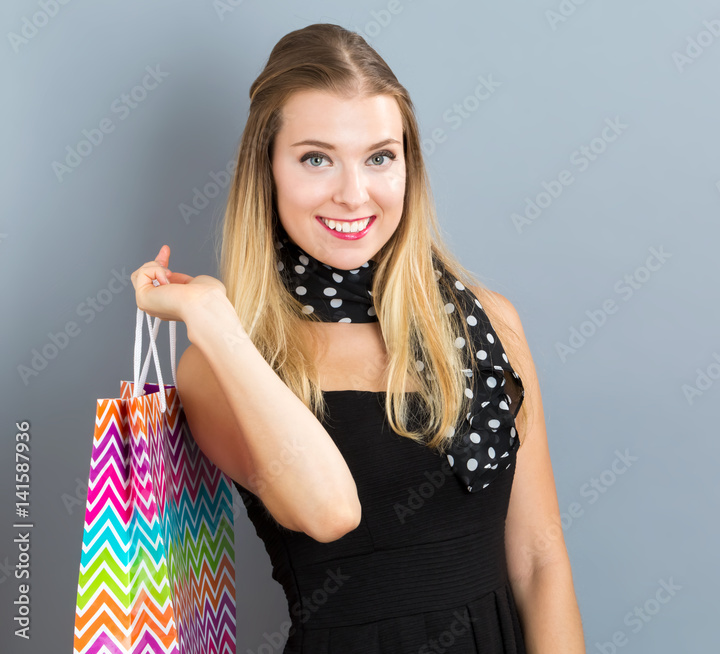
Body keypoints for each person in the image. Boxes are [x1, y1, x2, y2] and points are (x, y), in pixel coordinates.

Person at [130, 23, 585, 653]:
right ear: (269, 171)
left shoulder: (488, 322)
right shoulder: (223, 364)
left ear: (408, 166)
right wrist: (211, 315)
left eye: (379, 157)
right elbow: (329, 512)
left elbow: (540, 558)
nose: (353, 194)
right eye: (316, 158)